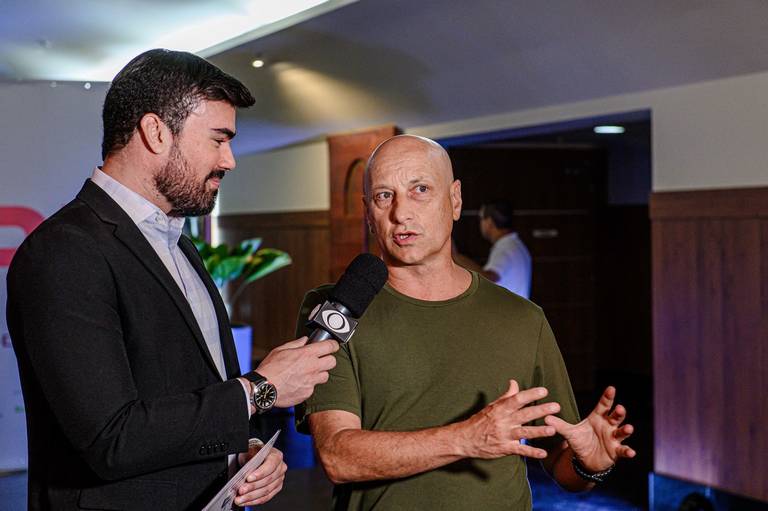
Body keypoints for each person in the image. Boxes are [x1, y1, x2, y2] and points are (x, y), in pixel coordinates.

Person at [6, 49, 339, 511]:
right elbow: (112, 438)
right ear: (155, 132)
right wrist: (260, 389)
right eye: (219, 139)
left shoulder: (179, 243)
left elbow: (191, 391)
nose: (230, 160)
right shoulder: (63, 251)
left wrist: (244, 451)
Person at [295, 135, 635, 510]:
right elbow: (338, 457)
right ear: (368, 213)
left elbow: (559, 461)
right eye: (384, 196)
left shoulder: (523, 318)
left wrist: (590, 464)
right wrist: (467, 438)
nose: (401, 213)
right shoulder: (336, 310)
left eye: (420, 189)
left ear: (455, 200)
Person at [453, 200, 532, 299]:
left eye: (481, 219)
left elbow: (489, 279)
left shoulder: (506, 248)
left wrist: (456, 257)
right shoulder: (515, 245)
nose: (480, 223)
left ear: (489, 222)